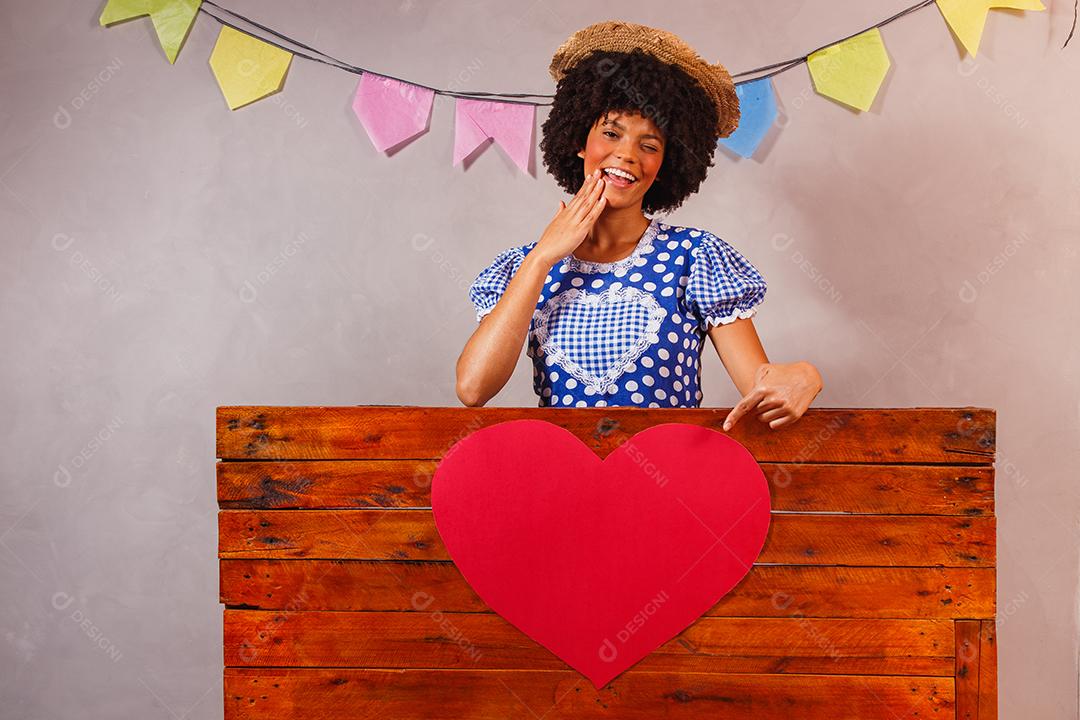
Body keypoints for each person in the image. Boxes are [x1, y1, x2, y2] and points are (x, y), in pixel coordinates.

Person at [456, 21, 822, 430]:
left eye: (649, 145)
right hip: (564, 479)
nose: (627, 154)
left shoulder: (695, 258)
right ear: (580, 141)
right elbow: (473, 388)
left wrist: (805, 374)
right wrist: (542, 256)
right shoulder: (526, 265)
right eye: (611, 133)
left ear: (665, 166)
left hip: (668, 479)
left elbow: (760, 385)